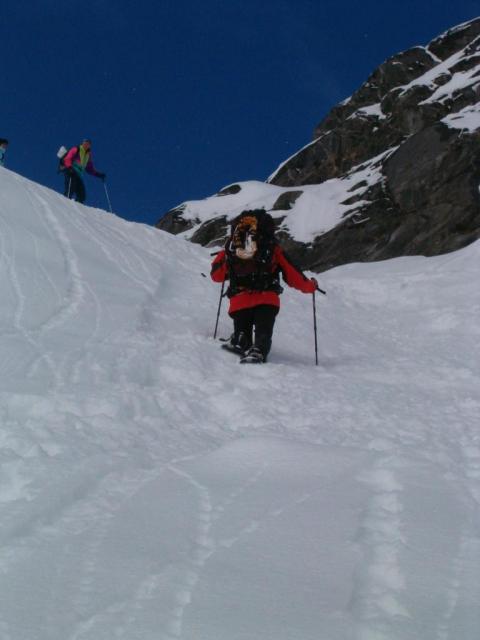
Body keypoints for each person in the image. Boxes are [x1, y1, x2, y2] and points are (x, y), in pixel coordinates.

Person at [211, 209, 318, 364]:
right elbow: (293, 274)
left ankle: (241, 338)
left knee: (242, 327)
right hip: (267, 300)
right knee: (263, 331)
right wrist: (310, 286)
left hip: (239, 301)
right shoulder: (272, 247)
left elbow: (216, 276)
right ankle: (259, 349)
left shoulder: (232, 248)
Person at [62, 139, 105, 204]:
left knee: (82, 195)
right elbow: (68, 158)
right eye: (85, 143)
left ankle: (77, 209)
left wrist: (99, 174)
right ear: (82, 143)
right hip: (71, 171)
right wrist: (69, 167)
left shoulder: (88, 155)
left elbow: (89, 169)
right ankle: (64, 204)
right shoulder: (76, 149)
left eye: (88, 144)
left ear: (90, 146)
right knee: (70, 189)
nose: (86, 144)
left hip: (78, 175)